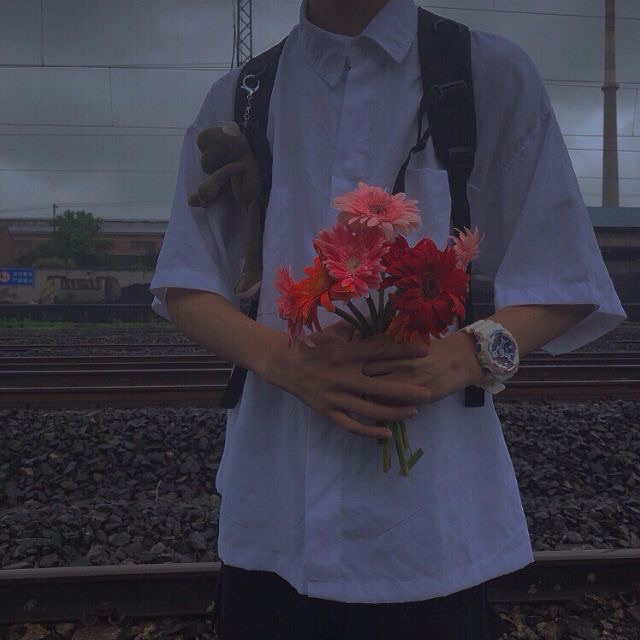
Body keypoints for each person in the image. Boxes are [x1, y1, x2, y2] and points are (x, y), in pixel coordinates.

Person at [149, 0, 626, 637]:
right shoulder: (242, 96)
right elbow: (186, 283)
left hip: (429, 533)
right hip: (274, 523)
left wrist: (463, 356)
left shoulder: (486, 75)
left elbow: (565, 279)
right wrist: (285, 362)